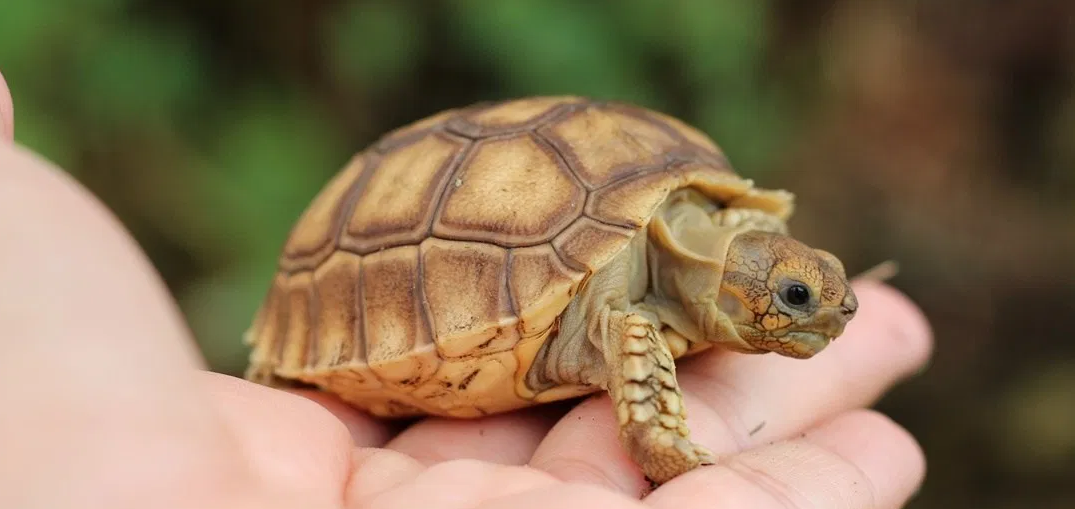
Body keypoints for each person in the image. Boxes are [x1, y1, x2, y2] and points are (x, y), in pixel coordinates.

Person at [0, 71, 933, 509]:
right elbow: (638, 338)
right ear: (730, 280)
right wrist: (661, 442)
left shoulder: (713, 234)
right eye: (801, 301)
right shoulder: (635, 304)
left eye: (818, 294)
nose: (826, 313)